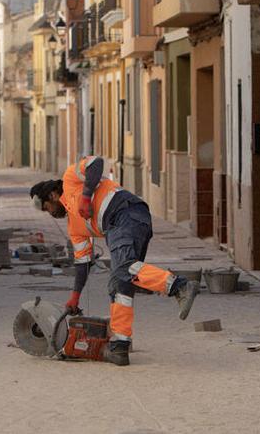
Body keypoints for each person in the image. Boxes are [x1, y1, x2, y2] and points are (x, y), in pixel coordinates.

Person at [29, 156, 199, 366]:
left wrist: (85, 196)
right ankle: (119, 347)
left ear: (53, 195)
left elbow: (95, 164)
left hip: (125, 212)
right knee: (120, 283)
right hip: (125, 225)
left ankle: (179, 286)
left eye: (47, 208)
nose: (50, 213)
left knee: (124, 269)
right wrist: (75, 297)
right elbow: (82, 264)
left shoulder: (70, 179)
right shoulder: (75, 228)